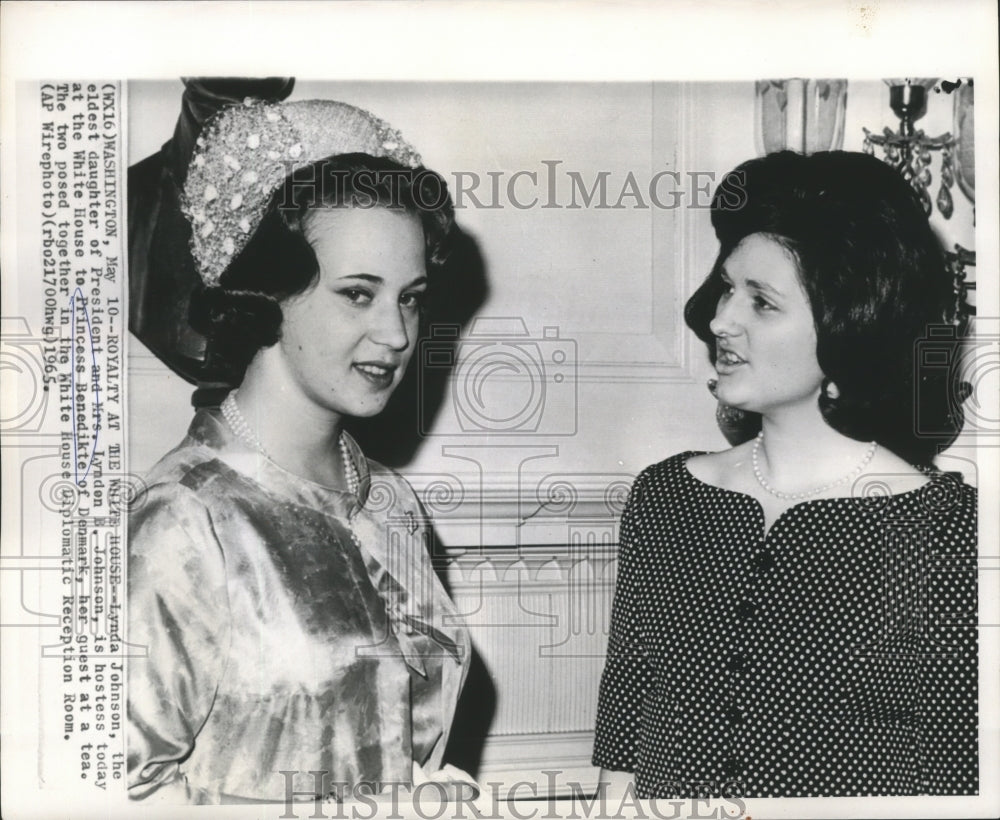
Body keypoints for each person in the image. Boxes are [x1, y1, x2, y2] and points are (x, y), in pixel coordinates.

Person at [592, 150, 978, 798]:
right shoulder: (666, 498)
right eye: (726, 288)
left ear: (849, 324)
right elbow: (624, 750)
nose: (721, 320)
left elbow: (954, 780)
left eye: (762, 303)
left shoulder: (943, 532)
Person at [127, 99, 470, 803]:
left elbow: (412, 737)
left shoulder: (390, 501)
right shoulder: (185, 518)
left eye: (410, 298)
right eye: (358, 294)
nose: (398, 334)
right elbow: (120, 796)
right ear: (267, 293)